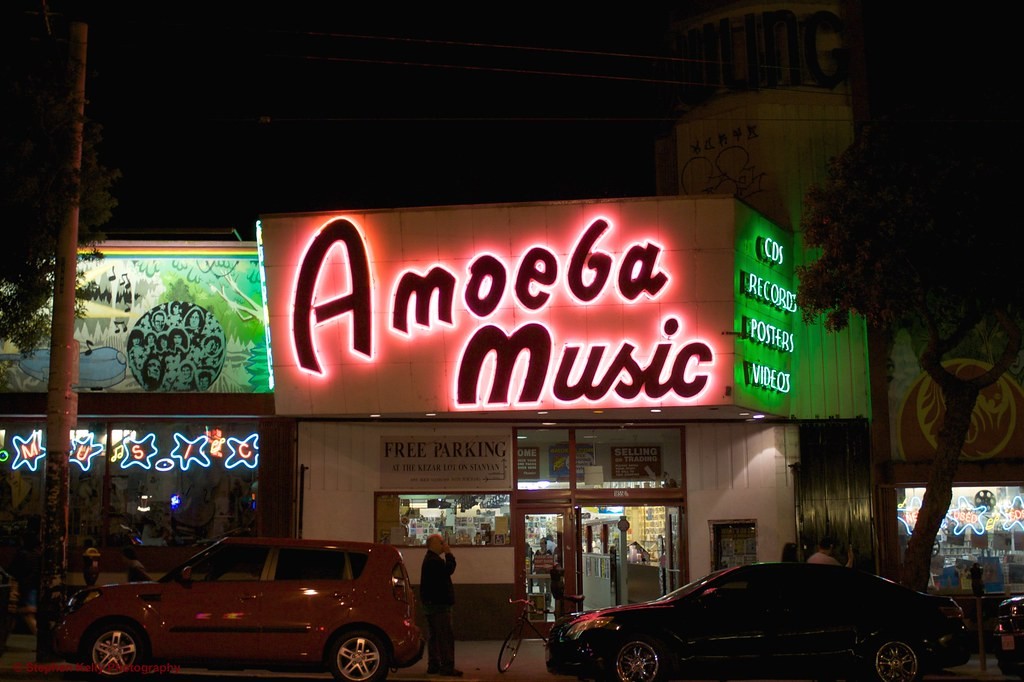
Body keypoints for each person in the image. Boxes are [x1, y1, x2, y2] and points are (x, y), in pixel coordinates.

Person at [420, 533, 461, 677]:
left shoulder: (429, 559)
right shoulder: (434, 561)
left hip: (431, 604)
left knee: (434, 636)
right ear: (433, 544)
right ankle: (447, 666)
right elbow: (449, 569)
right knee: (445, 636)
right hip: (439, 605)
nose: (444, 544)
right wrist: (449, 554)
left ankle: (434, 664)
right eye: (441, 542)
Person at [7, 531, 41, 635]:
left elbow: (12, 570)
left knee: (24, 613)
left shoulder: (21, 554)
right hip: (32, 587)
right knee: (24, 613)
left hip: (23, 587)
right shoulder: (37, 555)